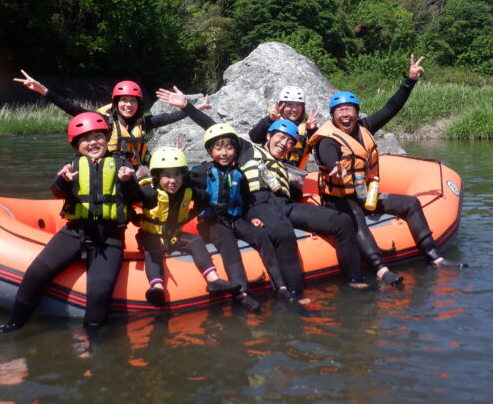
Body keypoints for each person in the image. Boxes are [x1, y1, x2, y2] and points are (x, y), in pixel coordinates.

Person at [156, 86, 369, 304]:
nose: (284, 144)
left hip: (285, 205)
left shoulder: (287, 166)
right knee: (283, 232)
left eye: (290, 141)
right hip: (257, 202)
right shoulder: (248, 151)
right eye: (280, 137)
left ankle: (354, 278)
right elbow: (218, 131)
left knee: (342, 221)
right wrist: (187, 107)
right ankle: (295, 295)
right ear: (268, 136)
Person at [308, 54, 466, 287]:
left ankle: (435, 256)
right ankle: (381, 270)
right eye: (340, 110)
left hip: (364, 194)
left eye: (350, 109)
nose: (345, 114)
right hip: (338, 200)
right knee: (356, 219)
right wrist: (335, 168)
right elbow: (328, 157)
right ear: (333, 115)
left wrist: (409, 80)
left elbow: (391, 108)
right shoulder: (326, 139)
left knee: (411, 203)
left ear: (356, 113)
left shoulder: (364, 127)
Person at [0, 112, 139, 337]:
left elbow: (138, 198)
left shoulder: (122, 165)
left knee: (100, 293)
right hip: (75, 232)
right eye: (85, 138)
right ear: (76, 144)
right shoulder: (70, 167)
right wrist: (63, 180)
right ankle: (14, 324)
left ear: (106, 137)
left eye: (98, 136)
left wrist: (129, 182)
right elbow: (57, 191)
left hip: (109, 238)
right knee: (35, 273)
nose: (93, 142)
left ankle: (93, 339)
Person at [189, 123, 293, 312]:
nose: (224, 153)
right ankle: (242, 294)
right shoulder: (201, 172)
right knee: (228, 241)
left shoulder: (239, 174)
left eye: (229, 148)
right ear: (210, 150)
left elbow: (246, 201)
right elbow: (181, 181)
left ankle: (282, 287)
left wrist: (251, 218)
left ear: (236, 151)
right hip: (211, 223)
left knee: (261, 235)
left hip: (234, 219)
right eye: (218, 148)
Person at [13, 70, 206, 169]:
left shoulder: (143, 123)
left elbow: (169, 117)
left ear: (138, 104)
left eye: (133, 101)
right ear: (116, 103)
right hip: (112, 173)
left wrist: (193, 109)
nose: (128, 105)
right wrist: (43, 91)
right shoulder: (103, 120)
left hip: (137, 174)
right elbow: (73, 109)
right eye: (124, 101)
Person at [137, 146, 240, 307]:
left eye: (177, 174)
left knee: (196, 241)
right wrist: (134, 219)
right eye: (167, 175)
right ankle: (157, 287)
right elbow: (128, 199)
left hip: (174, 234)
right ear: (157, 177)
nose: (173, 180)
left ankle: (214, 280)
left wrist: (189, 216)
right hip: (151, 235)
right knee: (152, 247)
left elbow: (205, 198)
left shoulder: (188, 191)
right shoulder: (148, 192)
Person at [248, 85, 319, 169]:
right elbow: (254, 138)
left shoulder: (308, 124)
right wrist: (269, 120)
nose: (294, 109)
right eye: (289, 104)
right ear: (282, 105)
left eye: (298, 105)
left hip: (295, 175)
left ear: (303, 107)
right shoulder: (273, 118)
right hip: (268, 169)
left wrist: (312, 131)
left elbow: (319, 152)